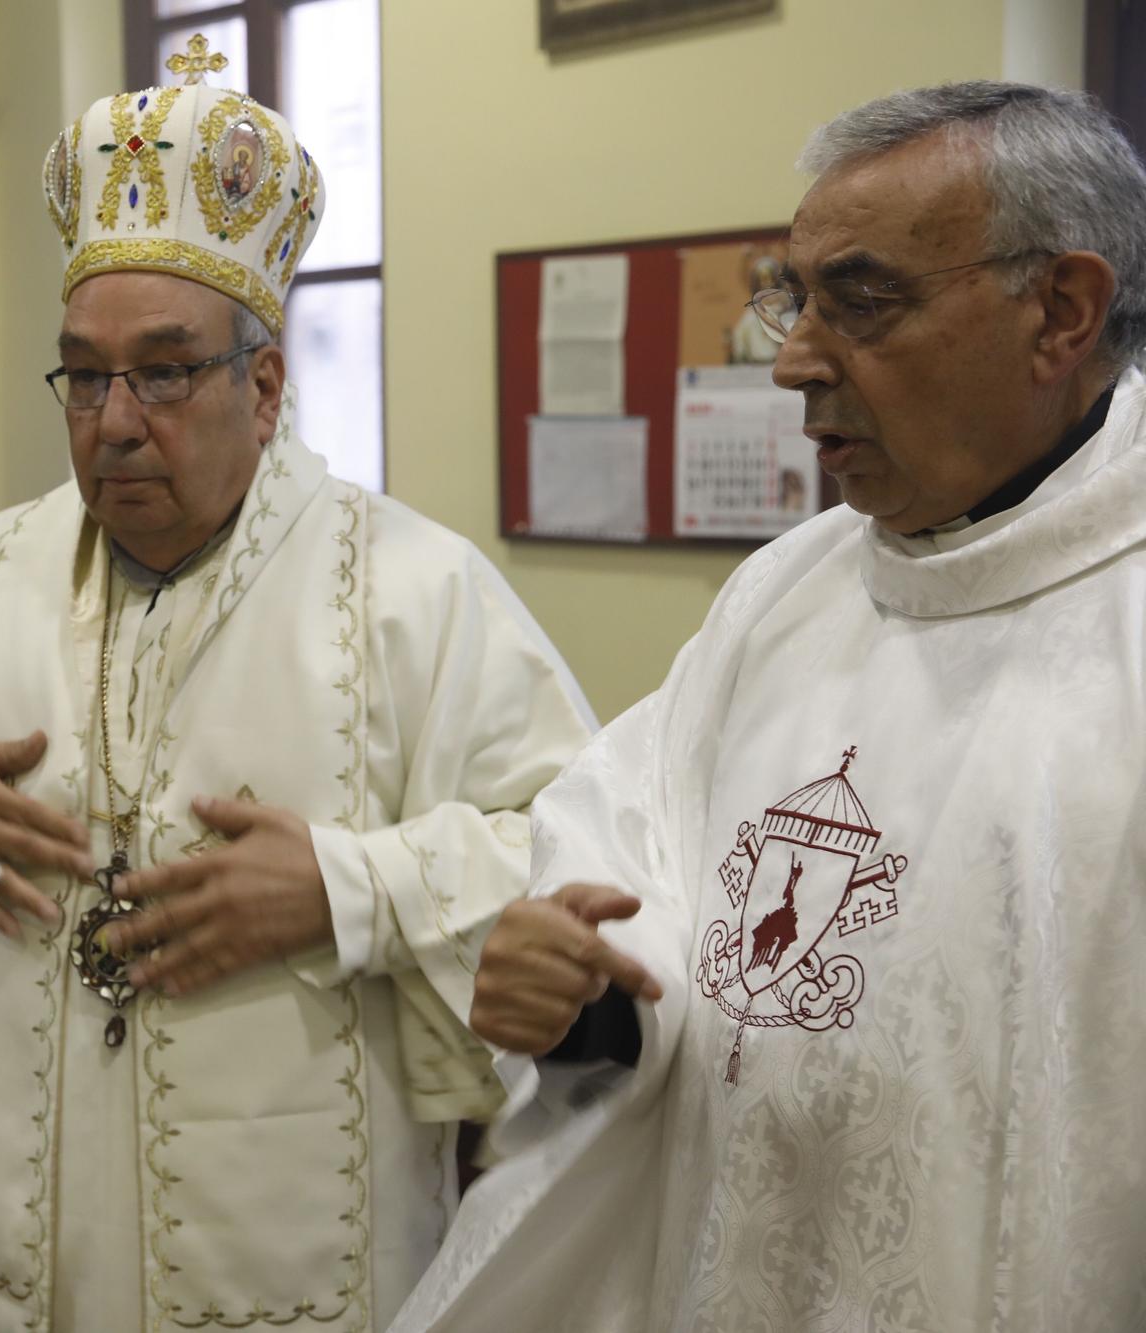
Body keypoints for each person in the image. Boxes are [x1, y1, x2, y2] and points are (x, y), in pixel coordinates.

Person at [0, 41, 592, 1333]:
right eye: (84, 374)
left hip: (289, 1274)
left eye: (163, 370)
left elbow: (569, 857)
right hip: (15, 1262)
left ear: (263, 385)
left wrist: (341, 886)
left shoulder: (415, 594)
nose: (113, 419)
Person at [393, 81, 1146, 1333]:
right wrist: (586, 996)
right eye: (789, 298)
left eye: (858, 300)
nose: (791, 358)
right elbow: (633, 854)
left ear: (1058, 312)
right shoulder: (780, 597)